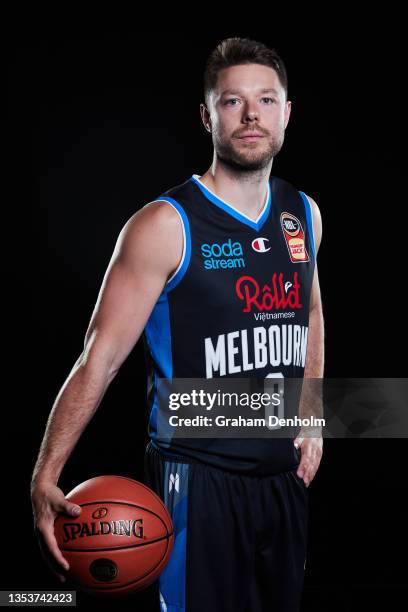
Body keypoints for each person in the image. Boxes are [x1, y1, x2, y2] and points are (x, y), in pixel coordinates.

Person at [31, 37, 324, 612]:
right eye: (232, 101)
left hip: (282, 480)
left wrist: (311, 415)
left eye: (266, 101)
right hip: (198, 481)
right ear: (207, 114)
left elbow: (310, 312)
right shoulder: (165, 225)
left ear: (286, 113)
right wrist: (47, 473)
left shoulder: (303, 212)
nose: (251, 115)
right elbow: (101, 356)